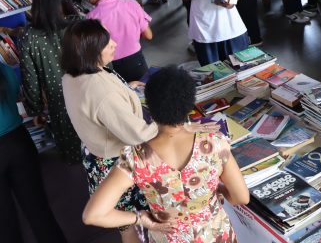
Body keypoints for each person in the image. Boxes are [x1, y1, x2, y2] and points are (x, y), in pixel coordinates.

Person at [82, 66, 249, 242]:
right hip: (217, 236)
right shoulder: (215, 143)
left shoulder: (136, 157)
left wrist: (140, 218)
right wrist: (216, 187)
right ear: (189, 106)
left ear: (150, 108)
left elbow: (93, 215)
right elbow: (241, 197)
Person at [62, 19, 157, 243]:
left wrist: (126, 90)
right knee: (139, 222)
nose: (114, 44)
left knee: (124, 223)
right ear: (90, 52)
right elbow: (139, 135)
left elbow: (96, 106)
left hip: (96, 157)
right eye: (106, 43)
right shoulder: (101, 92)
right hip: (118, 162)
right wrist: (167, 122)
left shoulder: (71, 75)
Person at [0, 57, 68, 243]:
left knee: (2, 223)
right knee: (39, 210)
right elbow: (15, 96)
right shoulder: (3, 71)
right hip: (18, 144)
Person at [19, 0, 83, 163]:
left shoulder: (28, 35)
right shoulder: (79, 23)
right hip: (90, 94)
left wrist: (36, 111)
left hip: (59, 104)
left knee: (74, 157)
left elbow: (29, 78)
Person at [76, 0, 153, 82]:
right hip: (137, 61)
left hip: (111, 66)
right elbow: (148, 35)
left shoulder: (90, 19)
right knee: (143, 93)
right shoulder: (131, 4)